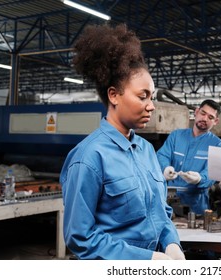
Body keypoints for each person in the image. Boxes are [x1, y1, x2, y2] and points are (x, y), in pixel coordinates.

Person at [59, 24, 184, 260]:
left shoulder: (146, 150)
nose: (151, 105)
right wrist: (145, 260)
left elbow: (159, 212)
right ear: (114, 95)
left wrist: (171, 244)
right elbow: (80, 237)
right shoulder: (89, 157)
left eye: (152, 96)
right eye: (142, 96)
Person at [157, 99, 221, 215]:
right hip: (168, 199)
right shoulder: (176, 136)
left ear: (216, 121)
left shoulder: (217, 144)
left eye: (210, 117)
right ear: (196, 112)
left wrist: (200, 178)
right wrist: (165, 169)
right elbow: (162, 155)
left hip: (197, 203)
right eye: (203, 113)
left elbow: (212, 172)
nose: (205, 119)